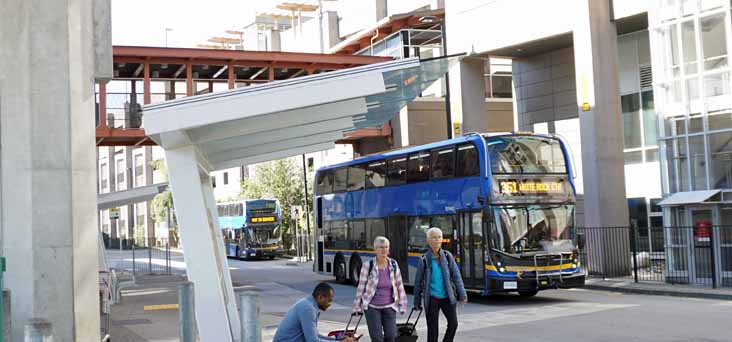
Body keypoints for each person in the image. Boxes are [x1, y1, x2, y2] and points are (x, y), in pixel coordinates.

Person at [413, 227, 468, 342]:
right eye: (434, 237)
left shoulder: (448, 256)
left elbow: (456, 276)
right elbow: (418, 282)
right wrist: (417, 302)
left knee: (453, 324)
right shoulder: (423, 260)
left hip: (447, 296)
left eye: (439, 237)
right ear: (428, 240)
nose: (437, 240)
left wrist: (462, 294)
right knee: (433, 331)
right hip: (432, 298)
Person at [352, 236, 408, 342]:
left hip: (390, 306)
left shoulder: (393, 264)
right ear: (375, 249)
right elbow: (361, 287)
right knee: (377, 339)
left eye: (386, 247)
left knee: (391, 336)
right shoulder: (368, 265)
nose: (384, 250)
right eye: (381, 247)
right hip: (372, 307)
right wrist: (356, 307)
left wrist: (403, 304)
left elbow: (399, 285)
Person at [274, 282, 358, 342]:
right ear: (320, 297)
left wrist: (338, 339)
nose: (330, 304)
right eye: (329, 301)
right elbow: (313, 340)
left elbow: (315, 335)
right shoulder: (308, 309)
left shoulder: (309, 304)